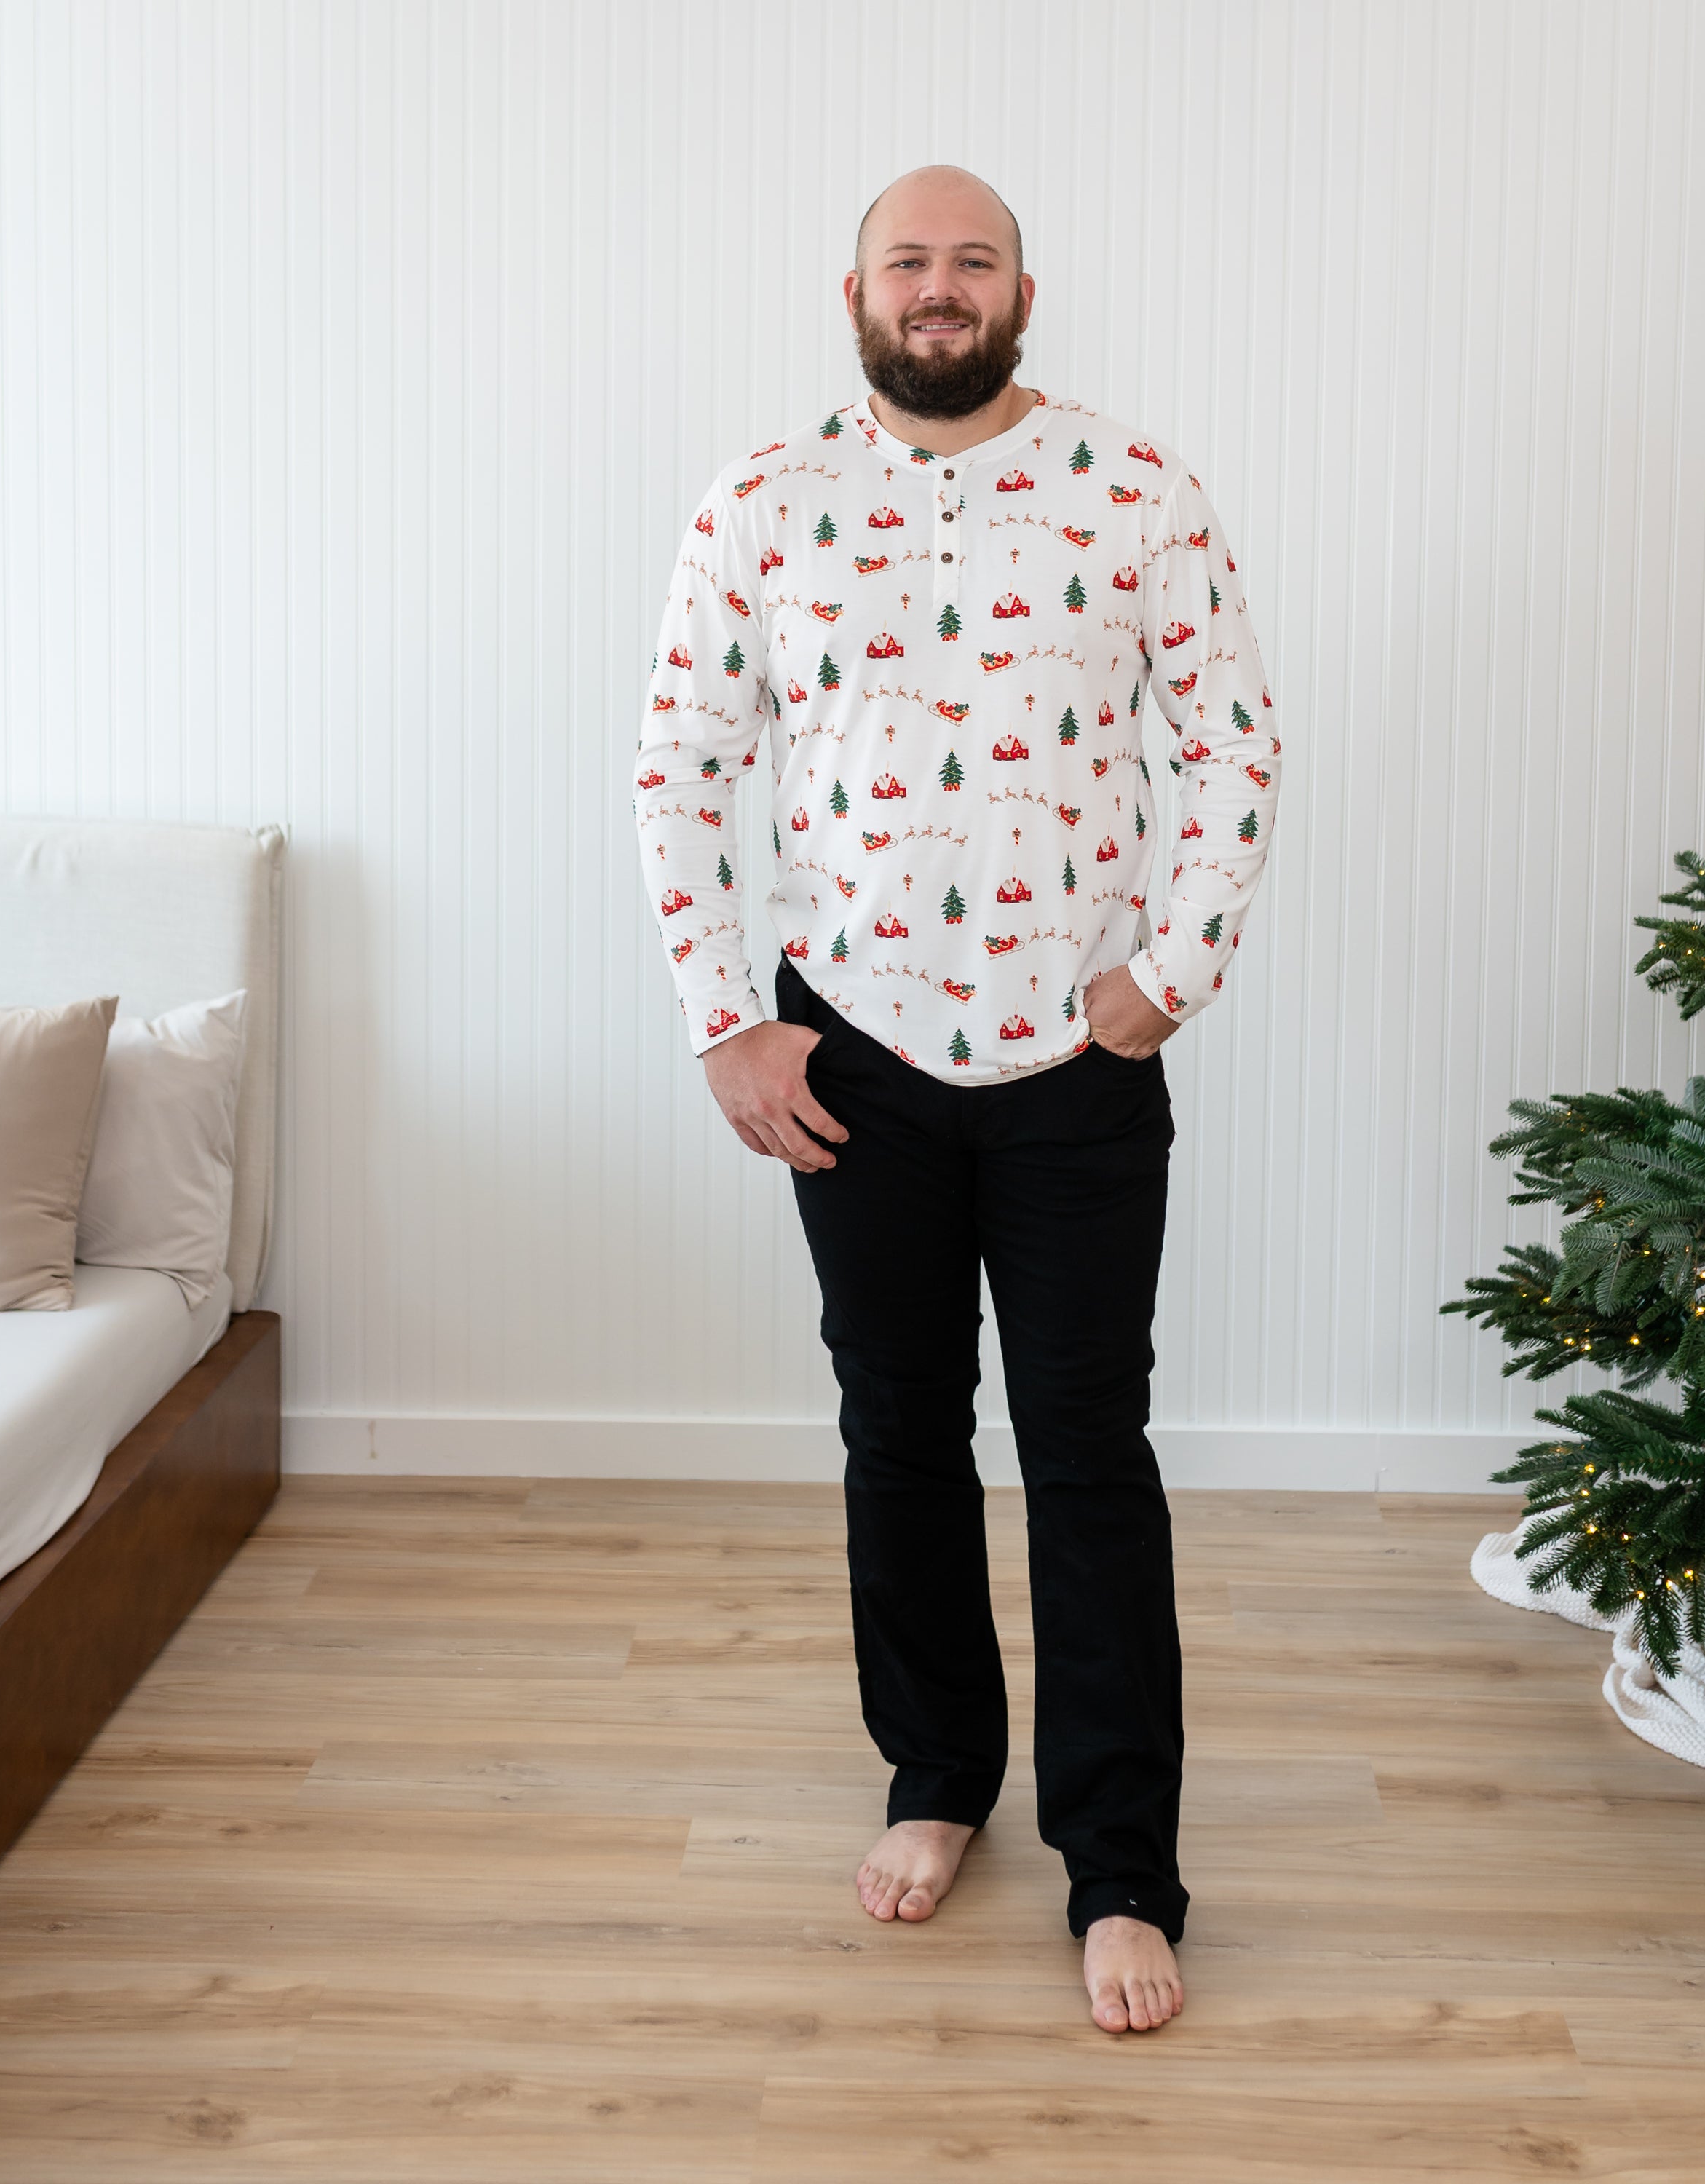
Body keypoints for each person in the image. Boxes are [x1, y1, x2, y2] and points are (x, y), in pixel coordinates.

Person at [635, 165, 1281, 2035]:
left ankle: (1124, 1865)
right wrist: (722, 1018)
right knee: (898, 1431)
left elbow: (1232, 736)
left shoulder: (1135, 490)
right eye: (907, 262)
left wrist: (1171, 976)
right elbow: (680, 764)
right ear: (853, 291)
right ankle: (936, 1779)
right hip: (856, 1058)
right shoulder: (759, 506)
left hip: (1077, 1067)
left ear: (1020, 291)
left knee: (1089, 1453)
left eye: (969, 262)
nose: (940, 289)